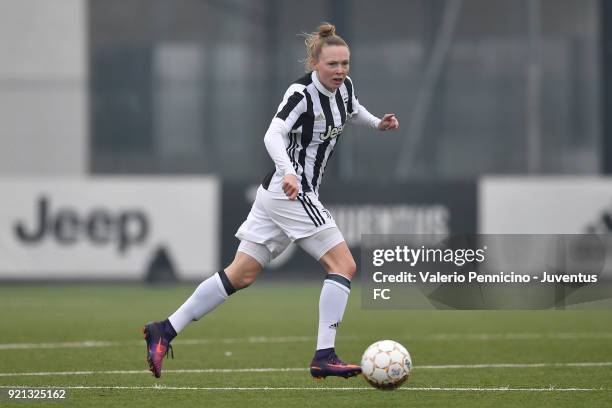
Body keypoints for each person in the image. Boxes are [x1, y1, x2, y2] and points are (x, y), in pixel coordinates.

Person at [142, 22, 400, 379]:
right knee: (344, 266)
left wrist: (377, 124)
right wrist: (290, 172)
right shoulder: (301, 94)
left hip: (277, 194)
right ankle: (324, 355)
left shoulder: (345, 89)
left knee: (241, 274)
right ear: (314, 63)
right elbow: (273, 133)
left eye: (345, 64)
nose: (340, 71)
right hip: (291, 190)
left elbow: (353, 110)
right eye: (332, 65)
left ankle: (164, 329)